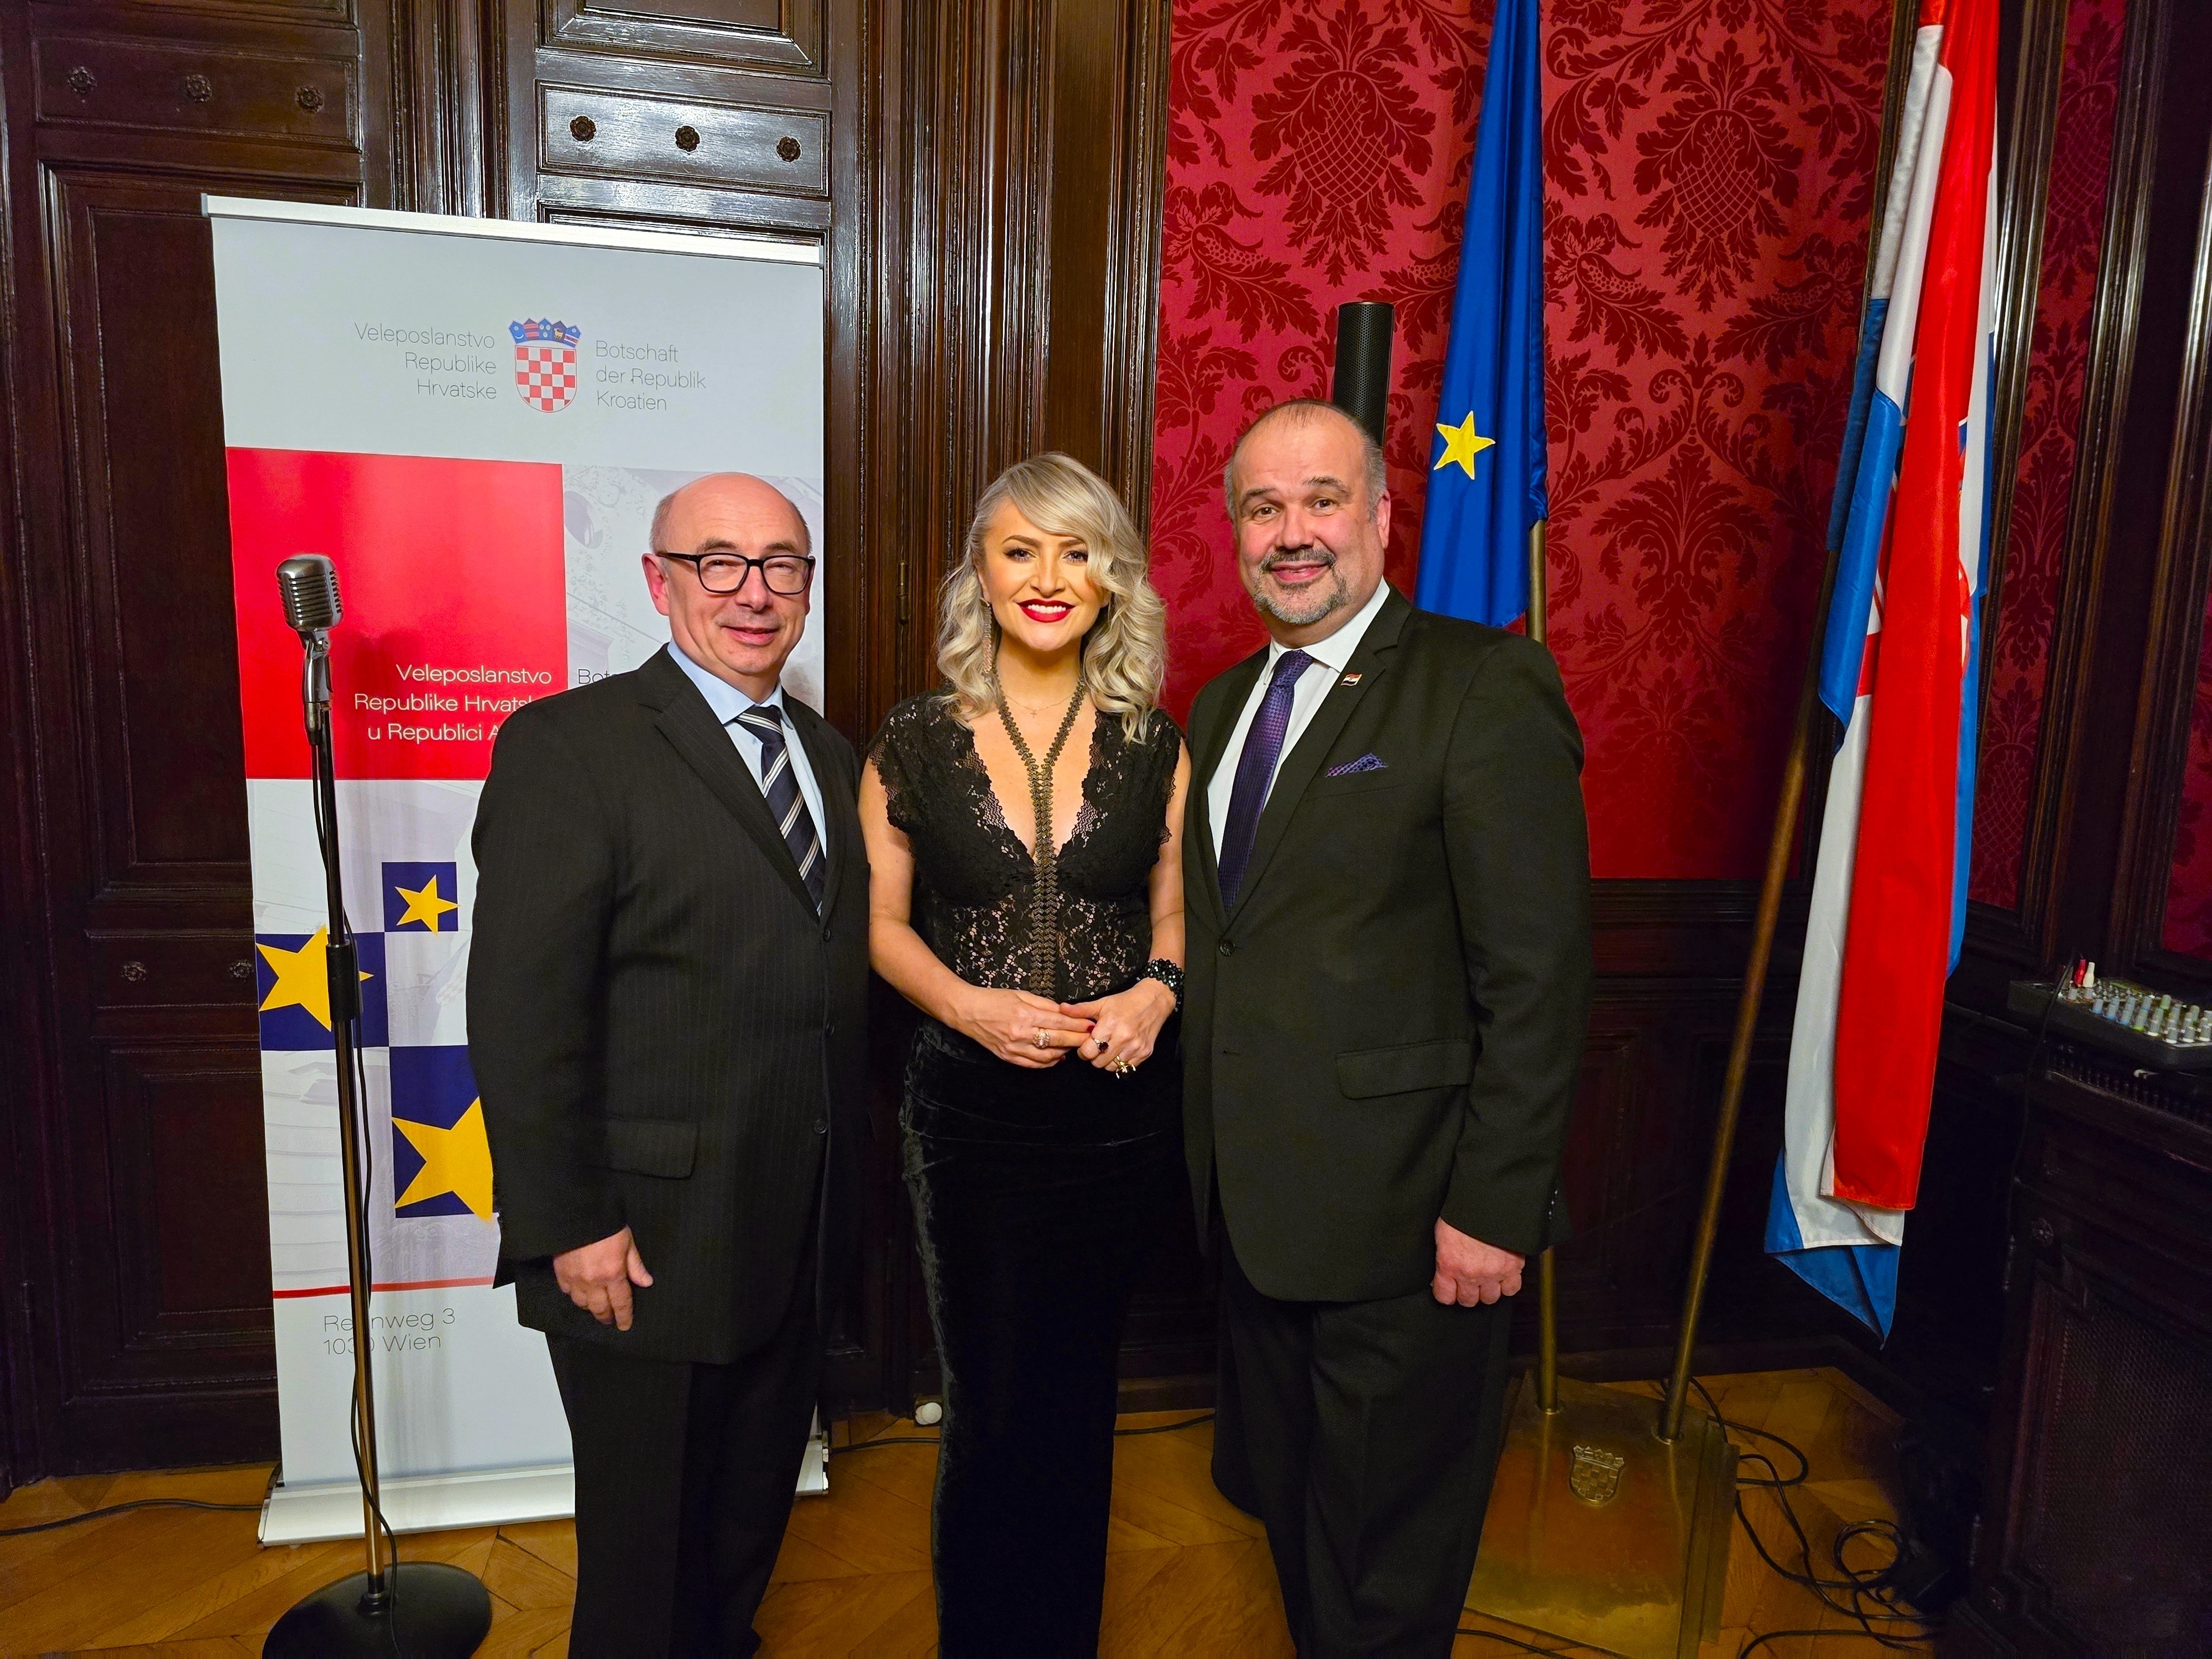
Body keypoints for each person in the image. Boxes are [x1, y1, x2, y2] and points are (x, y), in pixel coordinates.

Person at [1181, 400, 1592, 1657]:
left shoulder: (1479, 684)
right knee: (1298, 1521)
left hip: (1413, 1227)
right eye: (1262, 508)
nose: (1291, 533)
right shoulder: (1220, 708)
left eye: (1321, 501)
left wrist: (1495, 1208)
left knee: (1385, 1566)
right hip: (1254, 1219)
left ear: (1379, 516)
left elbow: (1537, 976)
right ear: (1235, 534)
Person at [469, 473, 868, 1658]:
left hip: (791, 1220)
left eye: (781, 564)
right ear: (658, 580)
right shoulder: (569, 746)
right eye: (718, 563)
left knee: (746, 1522)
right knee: (643, 1563)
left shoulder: (830, 755)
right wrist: (568, 1221)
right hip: (638, 1241)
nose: (754, 593)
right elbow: (520, 1013)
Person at [859, 453, 1190, 1656]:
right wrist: (968, 1009)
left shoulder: (1155, 743)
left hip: (1115, 1118)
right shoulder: (911, 739)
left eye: (1076, 552)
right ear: (981, 576)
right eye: (1019, 551)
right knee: (989, 1404)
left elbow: (1173, 914)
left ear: (1110, 581)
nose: (1047, 579)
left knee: (1077, 1396)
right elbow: (881, 926)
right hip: (969, 1121)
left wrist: (1156, 993)